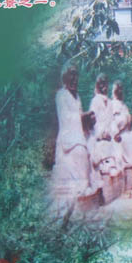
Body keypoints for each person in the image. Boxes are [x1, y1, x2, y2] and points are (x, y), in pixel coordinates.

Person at [52, 64, 93, 206]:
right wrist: (82, 117)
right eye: (71, 75)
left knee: (90, 149)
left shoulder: (77, 97)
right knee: (80, 151)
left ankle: (84, 188)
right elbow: (65, 118)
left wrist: (88, 120)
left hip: (78, 135)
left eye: (76, 75)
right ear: (64, 77)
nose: (74, 79)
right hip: (68, 138)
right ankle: (80, 189)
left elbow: (80, 118)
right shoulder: (61, 95)